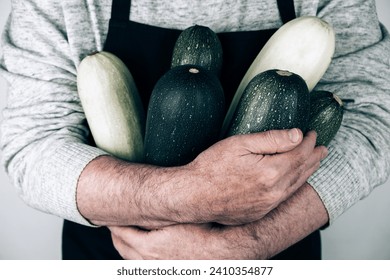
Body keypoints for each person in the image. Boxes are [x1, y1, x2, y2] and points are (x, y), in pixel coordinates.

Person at [0, 0, 389, 260]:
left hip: (273, 255)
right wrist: (187, 195)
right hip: (115, 256)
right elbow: (31, 142)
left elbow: (373, 117)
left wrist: (251, 242)